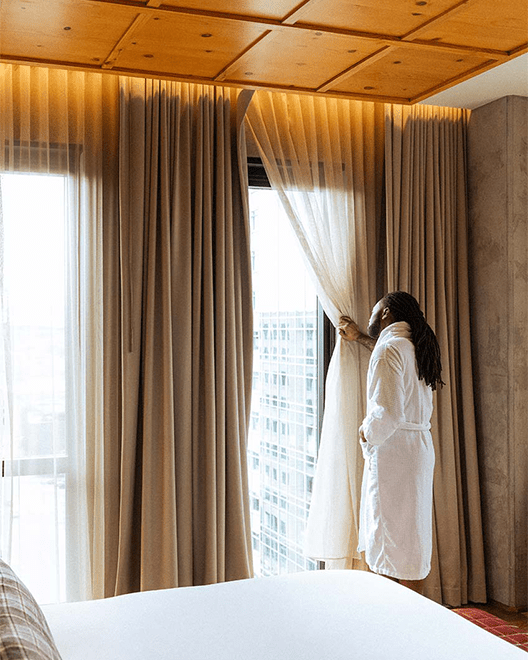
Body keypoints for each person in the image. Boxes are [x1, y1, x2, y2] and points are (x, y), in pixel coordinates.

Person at [338, 291, 444, 591]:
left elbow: (388, 413)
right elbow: (386, 353)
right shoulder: (413, 346)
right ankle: (415, 615)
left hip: (395, 451)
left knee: (389, 538)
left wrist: (365, 431)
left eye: (374, 310)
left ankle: (392, 619)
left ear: (386, 313)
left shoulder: (390, 350)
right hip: (419, 448)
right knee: (412, 536)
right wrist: (359, 337)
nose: (370, 315)